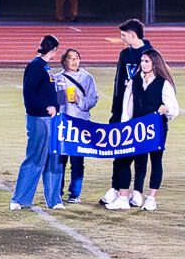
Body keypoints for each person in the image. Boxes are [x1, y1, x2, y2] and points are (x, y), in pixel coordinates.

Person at [110, 50, 178, 210]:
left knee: (155, 161)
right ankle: (123, 197)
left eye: (147, 61)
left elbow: (173, 108)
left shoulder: (163, 83)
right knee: (124, 159)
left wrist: (165, 108)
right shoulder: (134, 81)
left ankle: (151, 199)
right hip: (136, 129)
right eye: (142, 61)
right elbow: (127, 106)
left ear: (155, 62)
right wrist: (125, 126)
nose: (143, 64)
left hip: (156, 128)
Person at [104, 19, 155, 209]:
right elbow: (119, 82)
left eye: (123, 35)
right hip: (123, 111)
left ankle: (137, 192)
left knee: (141, 153)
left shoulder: (150, 54)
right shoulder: (124, 54)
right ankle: (116, 188)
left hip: (142, 112)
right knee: (119, 150)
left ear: (133, 35)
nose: (121, 38)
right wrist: (115, 110)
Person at [12, 36, 67, 211]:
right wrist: (45, 108)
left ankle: (54, 200)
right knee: (35, 158)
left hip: (51, 120)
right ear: (54, 50)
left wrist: (55, 107)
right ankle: (19, 199)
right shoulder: (35, 66)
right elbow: (29, 94)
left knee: (54, 158)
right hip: (39, 120)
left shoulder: (45, 67)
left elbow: (48, 93)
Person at [54, 48, 100, 205]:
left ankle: (75, 193)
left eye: (76, 58)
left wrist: (80, 100)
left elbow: (93, 99)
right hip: (62, 125)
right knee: (59, 160)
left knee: (77, 161)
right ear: (64, 61)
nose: (74, 61)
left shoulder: (87, 78)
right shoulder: (56, 78)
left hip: (80, 125)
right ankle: (56, 191)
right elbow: (52, 102)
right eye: (70, 58)